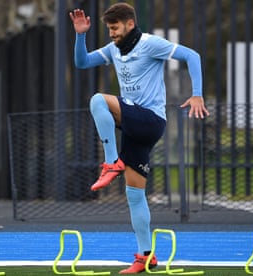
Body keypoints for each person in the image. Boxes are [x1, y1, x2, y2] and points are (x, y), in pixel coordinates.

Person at [69, 3, 209, 274]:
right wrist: (80, 35)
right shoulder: (113, 50)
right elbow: (82, 62)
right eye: (108, 28)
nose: (111, 33)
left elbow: (192, 56)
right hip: (135, 126)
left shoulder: (149, 44)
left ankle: (111, 163)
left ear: (130, 24)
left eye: (115, 27)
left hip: (150, 120)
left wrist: (198, 93)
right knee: (134, 195)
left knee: (99, 100)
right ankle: (146, 256)